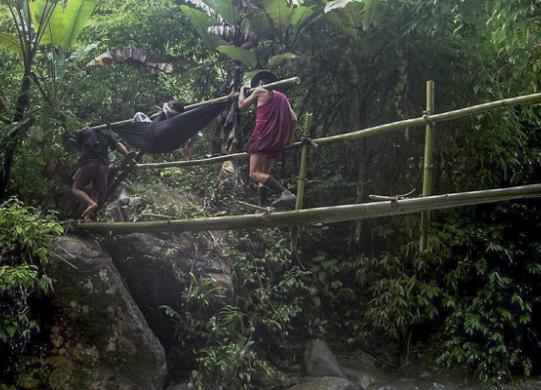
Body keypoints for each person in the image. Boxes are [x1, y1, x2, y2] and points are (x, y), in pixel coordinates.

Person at [238, 71, 298, 209]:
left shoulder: (260, 91)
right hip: (277, 140)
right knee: (264, 174)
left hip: (262, 136)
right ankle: (262, 207)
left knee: (254, 173)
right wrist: (288, 139)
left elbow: (241, 105)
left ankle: (284, 193)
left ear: (260, 83)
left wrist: (242, 90)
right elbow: (294, 119)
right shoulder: (283, 97)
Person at [72, 128, 133, 219]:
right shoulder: (105, 134)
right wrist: (131, 159)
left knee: (76, 188)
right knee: (96, 192)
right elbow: (118, 145)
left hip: (90, 163)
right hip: (103, 166)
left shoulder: (85, 132)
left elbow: (77, 144)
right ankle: (87, 217)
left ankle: (91, 204)